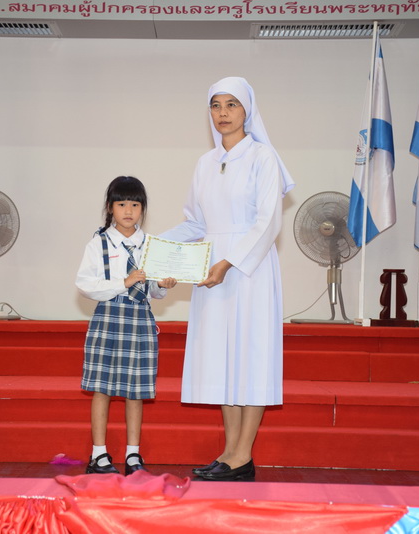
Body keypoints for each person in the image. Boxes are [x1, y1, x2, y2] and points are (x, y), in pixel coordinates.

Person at [161, 77, 295, 481]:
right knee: (224, 360)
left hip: (249, 270)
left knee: (250, 358)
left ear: (247, 110)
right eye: (216, 105)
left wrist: (229, 262)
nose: (223, 113)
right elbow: (195, 223)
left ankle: (243, 454)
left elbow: (268, 221)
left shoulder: (263, 157)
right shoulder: (205, 162)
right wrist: (153, 249)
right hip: (211, 271)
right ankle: (230, 453)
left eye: (231, 104)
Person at [76, 175, 177, 475]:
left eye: (135, 204)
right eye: (121, 204)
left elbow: (153, 291)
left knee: (136, 390)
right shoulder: (98, 243)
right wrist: (124, 282)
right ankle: (98, 454)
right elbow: (85, 284)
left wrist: (162, 285)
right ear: (110, 207)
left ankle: (133, 454)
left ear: (143, 208)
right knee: (101, 388)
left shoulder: (151, 245)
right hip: (108, 317)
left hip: (139, 319)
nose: (128, 210)